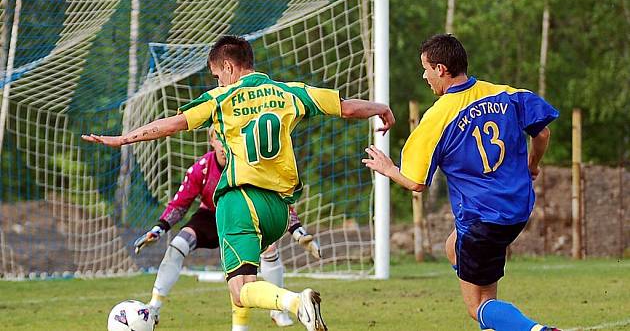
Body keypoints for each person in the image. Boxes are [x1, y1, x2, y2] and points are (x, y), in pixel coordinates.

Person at [82, 35, 395, 331]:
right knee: (247, 275)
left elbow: (171, 125)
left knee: (240, 288)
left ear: (229, 67)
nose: (218, 81)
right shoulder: (290, 92)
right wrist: (380, 107)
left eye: (218, 75)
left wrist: (123, 139)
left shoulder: (221, 97)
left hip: (240, 201)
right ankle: (250, 322)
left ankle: (295, 303)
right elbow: (348, 107)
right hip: (279, 210)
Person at [363, 34, 560, 331]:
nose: (424, 75)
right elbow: (542, 133)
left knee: (477, 306)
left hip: (482, 219)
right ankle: (489, 302)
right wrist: (532, 165)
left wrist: (389, 168)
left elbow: (416, 183)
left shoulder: (437, 118)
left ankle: (538, 330)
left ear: (441, 69)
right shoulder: (505, 94)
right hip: (517, 208)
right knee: (453, 247)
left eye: (426, 68)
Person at [133, 129, 321, 330]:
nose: (223, 144)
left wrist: (298, 232)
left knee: (264, 253)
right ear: (211, 141)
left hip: (241, 218)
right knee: (178, 244)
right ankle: (154, 306)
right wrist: (159, 229)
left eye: (227, 138)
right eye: (218, 139)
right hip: (211, 217)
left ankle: (278, 311)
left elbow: (274, 199)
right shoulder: (202, 168)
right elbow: (181, 203)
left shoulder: (248, 166)